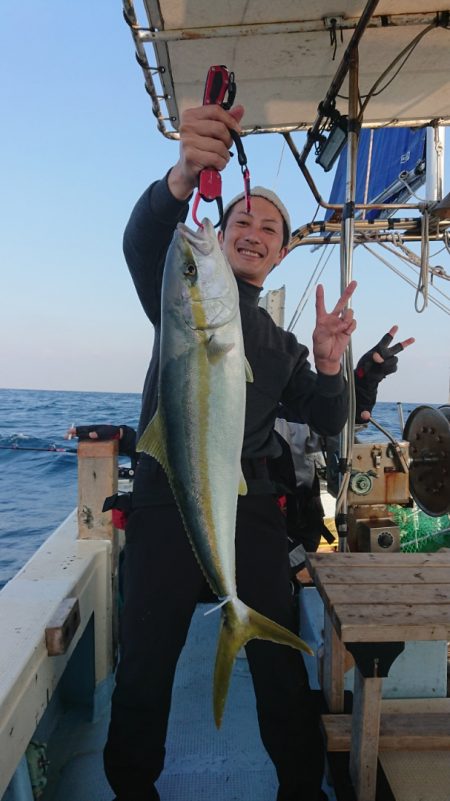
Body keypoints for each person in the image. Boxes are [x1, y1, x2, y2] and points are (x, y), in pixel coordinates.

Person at [101, 100, 366, 801]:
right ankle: (132, 788)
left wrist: (330, 363)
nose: (253, 232)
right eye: (241, 220)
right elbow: (143, 241)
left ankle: (300, 787)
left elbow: (328, 416)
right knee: (145, 662)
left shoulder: (281, 344)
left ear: (281, 254)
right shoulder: (181, 298)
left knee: (280, 667)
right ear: (218, 235)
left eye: (269, 229)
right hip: (165, 498)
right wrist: (182, 177)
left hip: (249, 507)